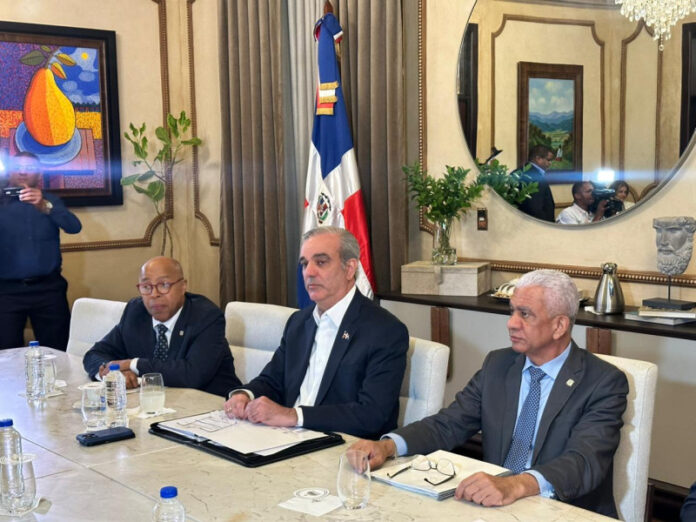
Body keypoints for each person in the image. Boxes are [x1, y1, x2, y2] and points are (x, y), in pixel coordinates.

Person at [349, 269, 628, 517]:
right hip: (495, 507)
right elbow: (448, 424)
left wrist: (516, 484)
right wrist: (388, 446)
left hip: (563, 510)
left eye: (525, 314)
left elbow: (584, 462)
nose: (511, 323)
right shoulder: (498, 364)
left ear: (559, 326)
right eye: (512, 311)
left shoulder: (603, 382)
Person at [223, 226, 408, 439]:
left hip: (340, 445)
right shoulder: (299, 322)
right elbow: (273, 380)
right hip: (284, 436)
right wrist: (244, 394)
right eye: (304, 264)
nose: (308, 272)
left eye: (320, 262)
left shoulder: (384, 331)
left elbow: (371, 415)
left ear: (349, 268)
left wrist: (294, 416)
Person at [83, 256, 241, 397]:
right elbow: (95, 354)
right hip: (157, 405)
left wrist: (133, 364)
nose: (154, 294)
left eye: (164, 285)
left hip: (212, 407)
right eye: (146, 287)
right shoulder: (135, 312)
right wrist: (110, 375)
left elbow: (192, 375)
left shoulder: (206, 316)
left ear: (183, 286)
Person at [0, 152, 81, 350]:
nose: (22, 172)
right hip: (6, 292)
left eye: (29, 168)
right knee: (6, 354)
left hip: (48, 290)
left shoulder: (50, 201)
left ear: (39, 174)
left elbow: (74, 227)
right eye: (17, 167)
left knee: (57, 350)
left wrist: (45, 206)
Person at [517, 145, 556, 222]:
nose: (550, 163)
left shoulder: (517, 172)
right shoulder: (536, 178)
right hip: (537, 224)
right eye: (548, 160)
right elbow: (536, 209)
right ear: (538, 159)